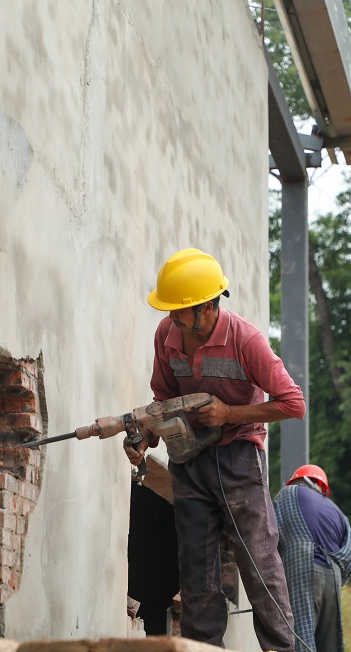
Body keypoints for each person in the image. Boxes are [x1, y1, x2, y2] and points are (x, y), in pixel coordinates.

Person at [125, 248, 306, 652]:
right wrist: (147, 437)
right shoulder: (166, 336)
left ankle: (282, 649)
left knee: (259, 567)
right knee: (197, 577)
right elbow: (163, 400)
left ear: (206, 307)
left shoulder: (246, 339)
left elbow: (293, 403)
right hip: (188, 462)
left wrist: (230, 414)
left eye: (179, 310)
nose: (172, 318)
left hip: (239, 460)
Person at [273, 464, 351, 652]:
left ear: (297, 480)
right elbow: (349, 561)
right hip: (334, 577)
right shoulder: (339, 513)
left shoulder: (289, 494)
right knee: (329, 645)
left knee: (301, 640)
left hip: (303, 570)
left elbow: (269, 535)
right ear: (322, 488)